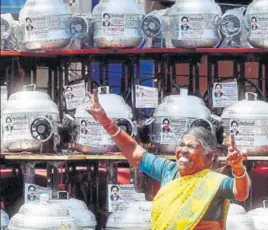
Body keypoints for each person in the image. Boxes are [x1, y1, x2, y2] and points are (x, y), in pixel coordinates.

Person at [86, 90, 250, 230]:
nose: (183, 150)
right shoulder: (169, 170)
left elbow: (241, 192)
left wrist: (238, 168)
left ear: (209, 156)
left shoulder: (215, 183)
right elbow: (135, 151)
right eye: (181, 145)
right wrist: (106, 122)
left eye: (192, 146)